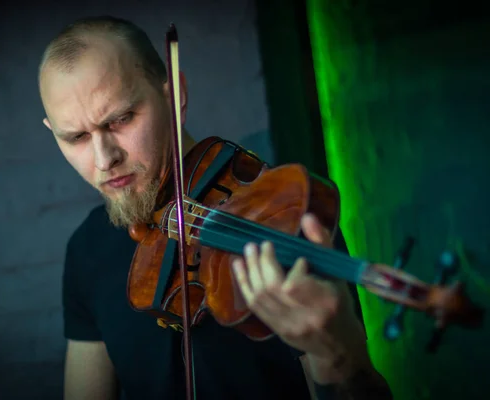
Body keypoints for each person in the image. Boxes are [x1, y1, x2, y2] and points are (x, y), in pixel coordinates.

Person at [38, 15, 392, 400]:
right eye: (75, 137)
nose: (104, 158)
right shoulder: (88, 248)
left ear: (176, 98)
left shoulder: (281, 219)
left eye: (121, 119)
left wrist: (338, 359)